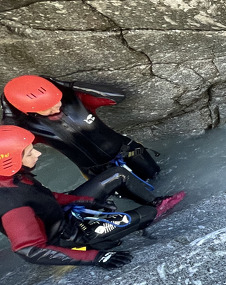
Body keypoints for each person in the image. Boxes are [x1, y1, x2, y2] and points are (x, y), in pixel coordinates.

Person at [0, 125, 184, 268]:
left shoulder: (13, 176)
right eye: (30, 152)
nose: (38, 153)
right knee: (146, 214)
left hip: (63, 215)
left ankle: (155, 200)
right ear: (9, 160)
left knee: (118, 174)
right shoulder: (13, 205)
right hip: (71, 238)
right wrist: (95, 258)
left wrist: (88, 201)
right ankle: (103, 242)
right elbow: (30, 250)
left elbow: (44, 198)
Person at [2, 75, 162, 205]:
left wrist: (69, 84)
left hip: (129, 150)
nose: (57, 107)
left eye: (56, 100)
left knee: (158, 176)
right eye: (48, 107)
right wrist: (8, 114)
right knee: (137, 199)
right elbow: (11, 146)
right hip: (97, 170)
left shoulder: (74, 99)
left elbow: (118, 96)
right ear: (29, 111)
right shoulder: (29, 127)